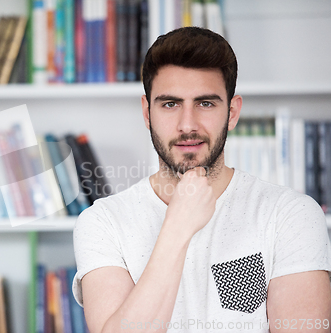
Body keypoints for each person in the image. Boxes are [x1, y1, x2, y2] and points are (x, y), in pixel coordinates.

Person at [72, 27, 331, 333]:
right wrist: (178, 226)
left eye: (205, 103)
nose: (187, 124)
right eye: (170, 104)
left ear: (232, 113)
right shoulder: (103, 222)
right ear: (147, 113)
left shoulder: (291, 215)